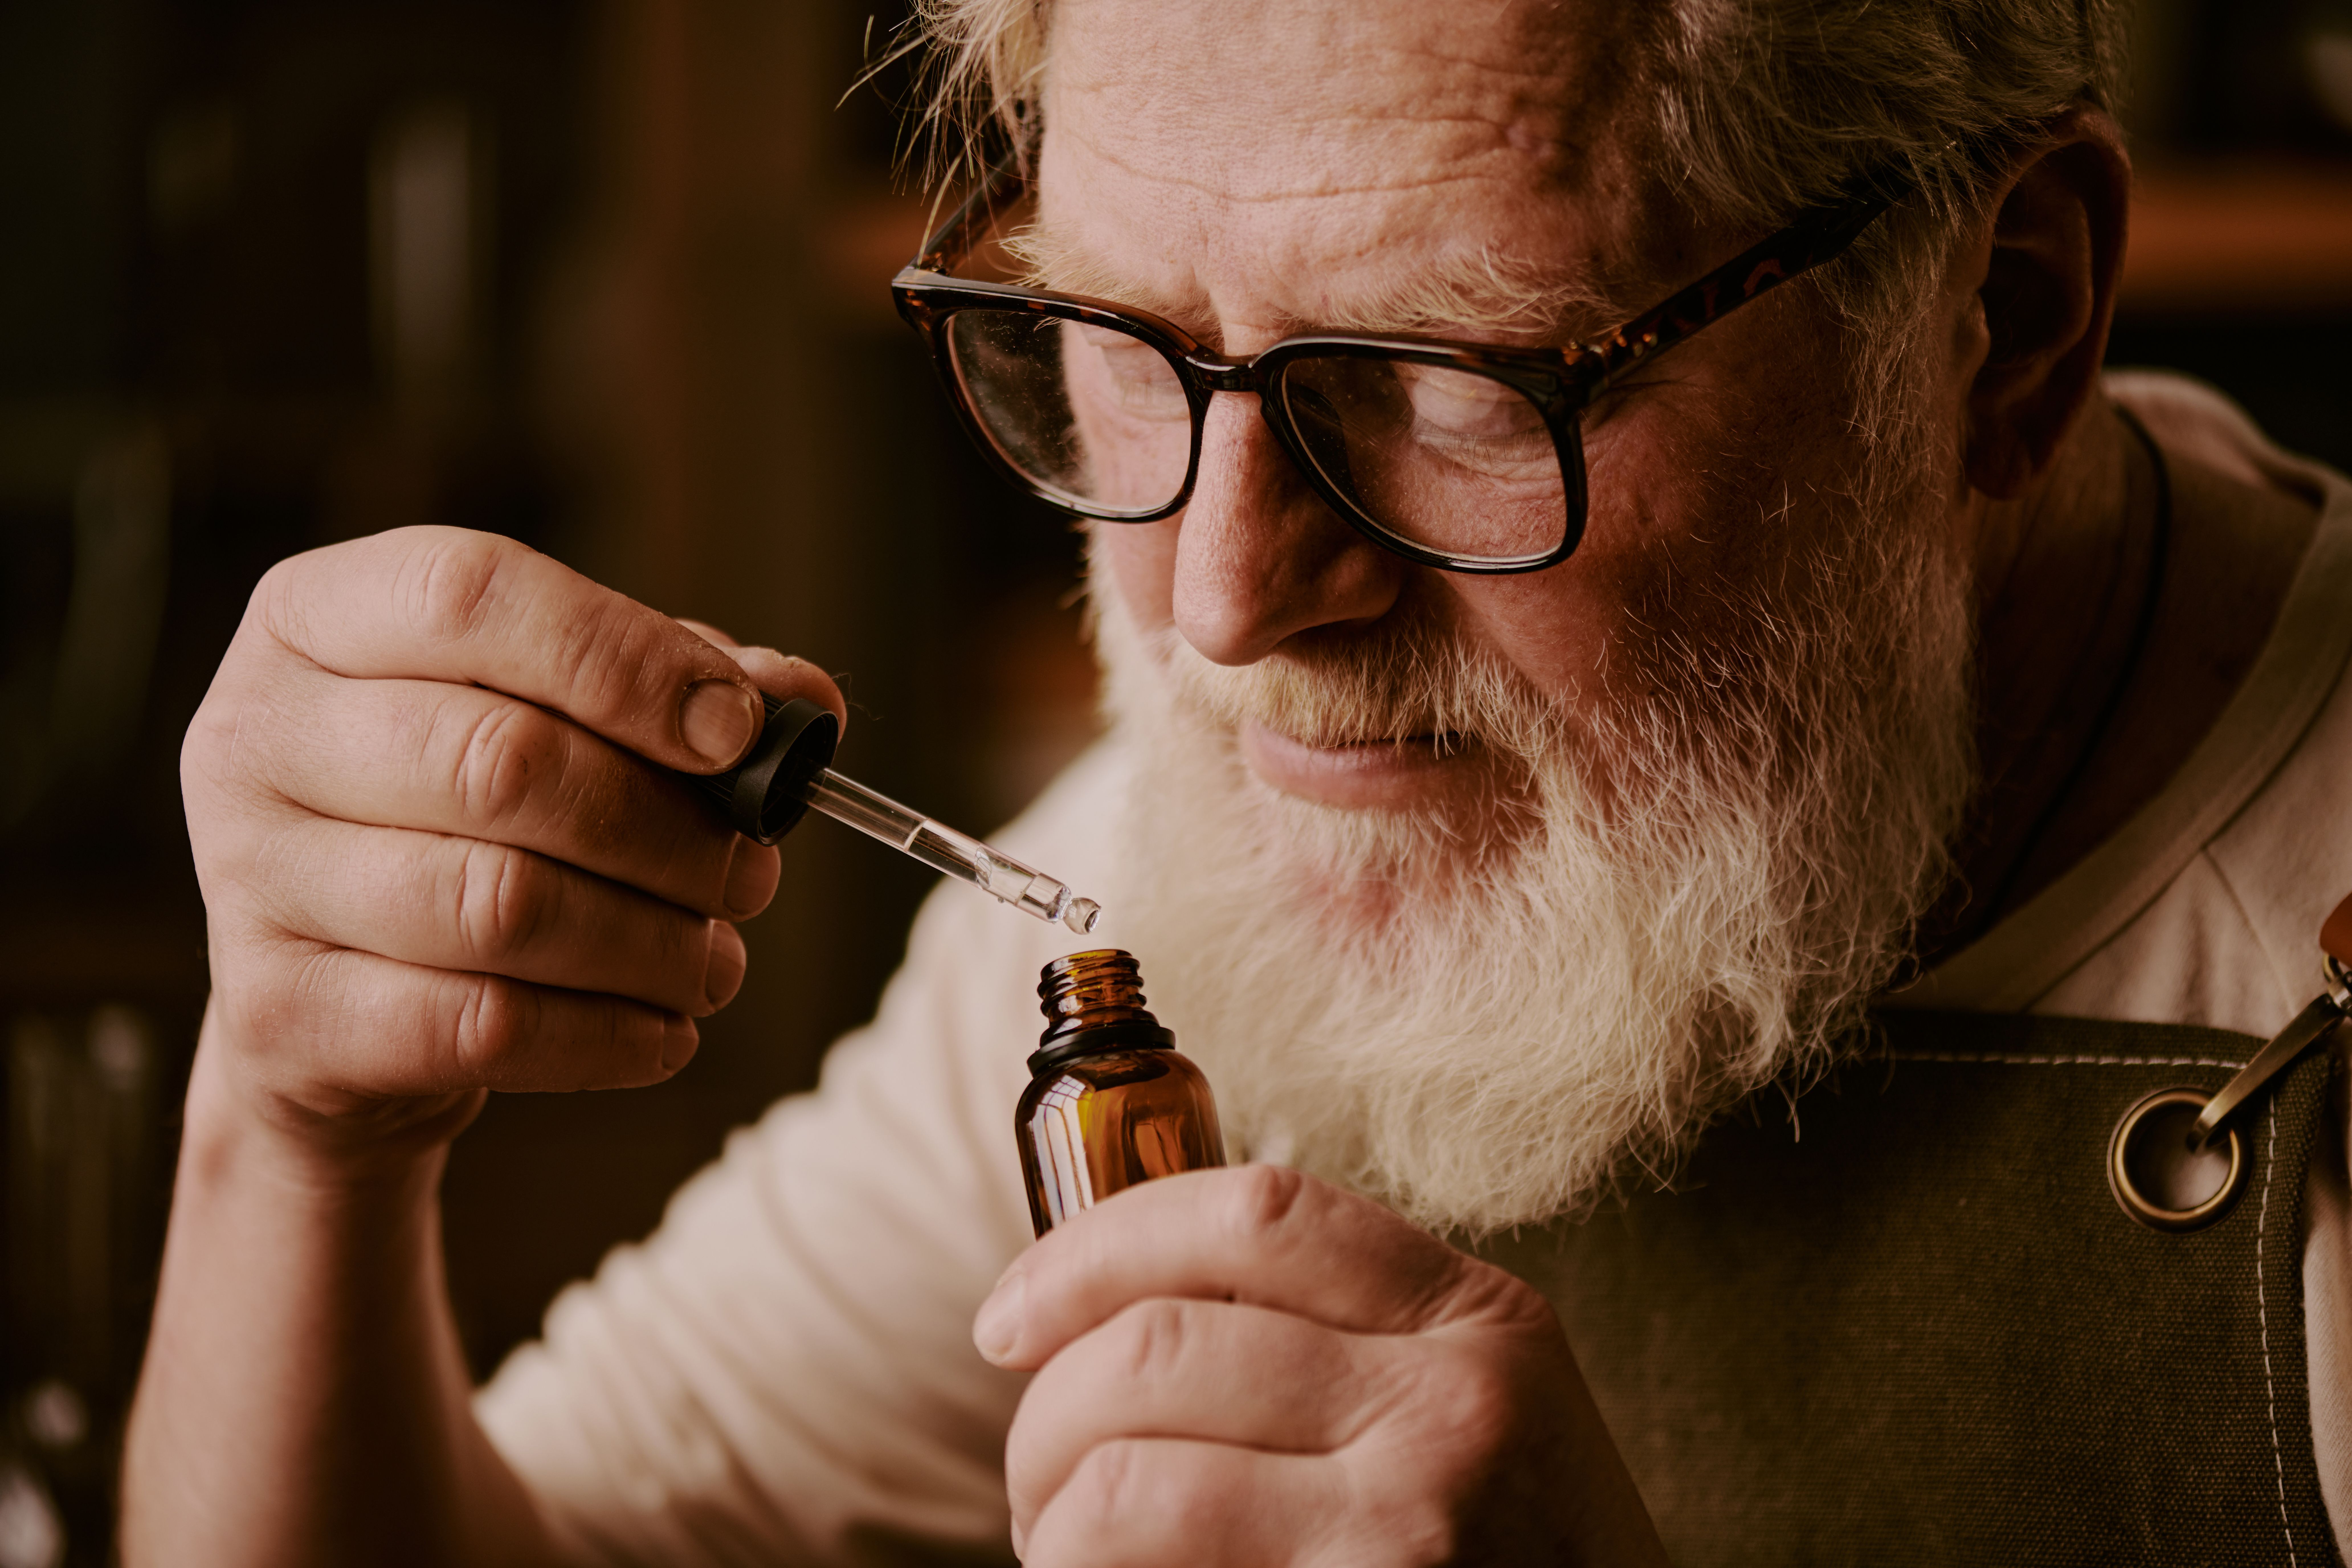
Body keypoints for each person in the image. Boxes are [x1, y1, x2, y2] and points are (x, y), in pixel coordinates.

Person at [121, 0, 2352, 1561]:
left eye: (1451, 381)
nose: (1226, 604)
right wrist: (299, 1140)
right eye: (1124, 347)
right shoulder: (1195, 889)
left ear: (2002, 326)